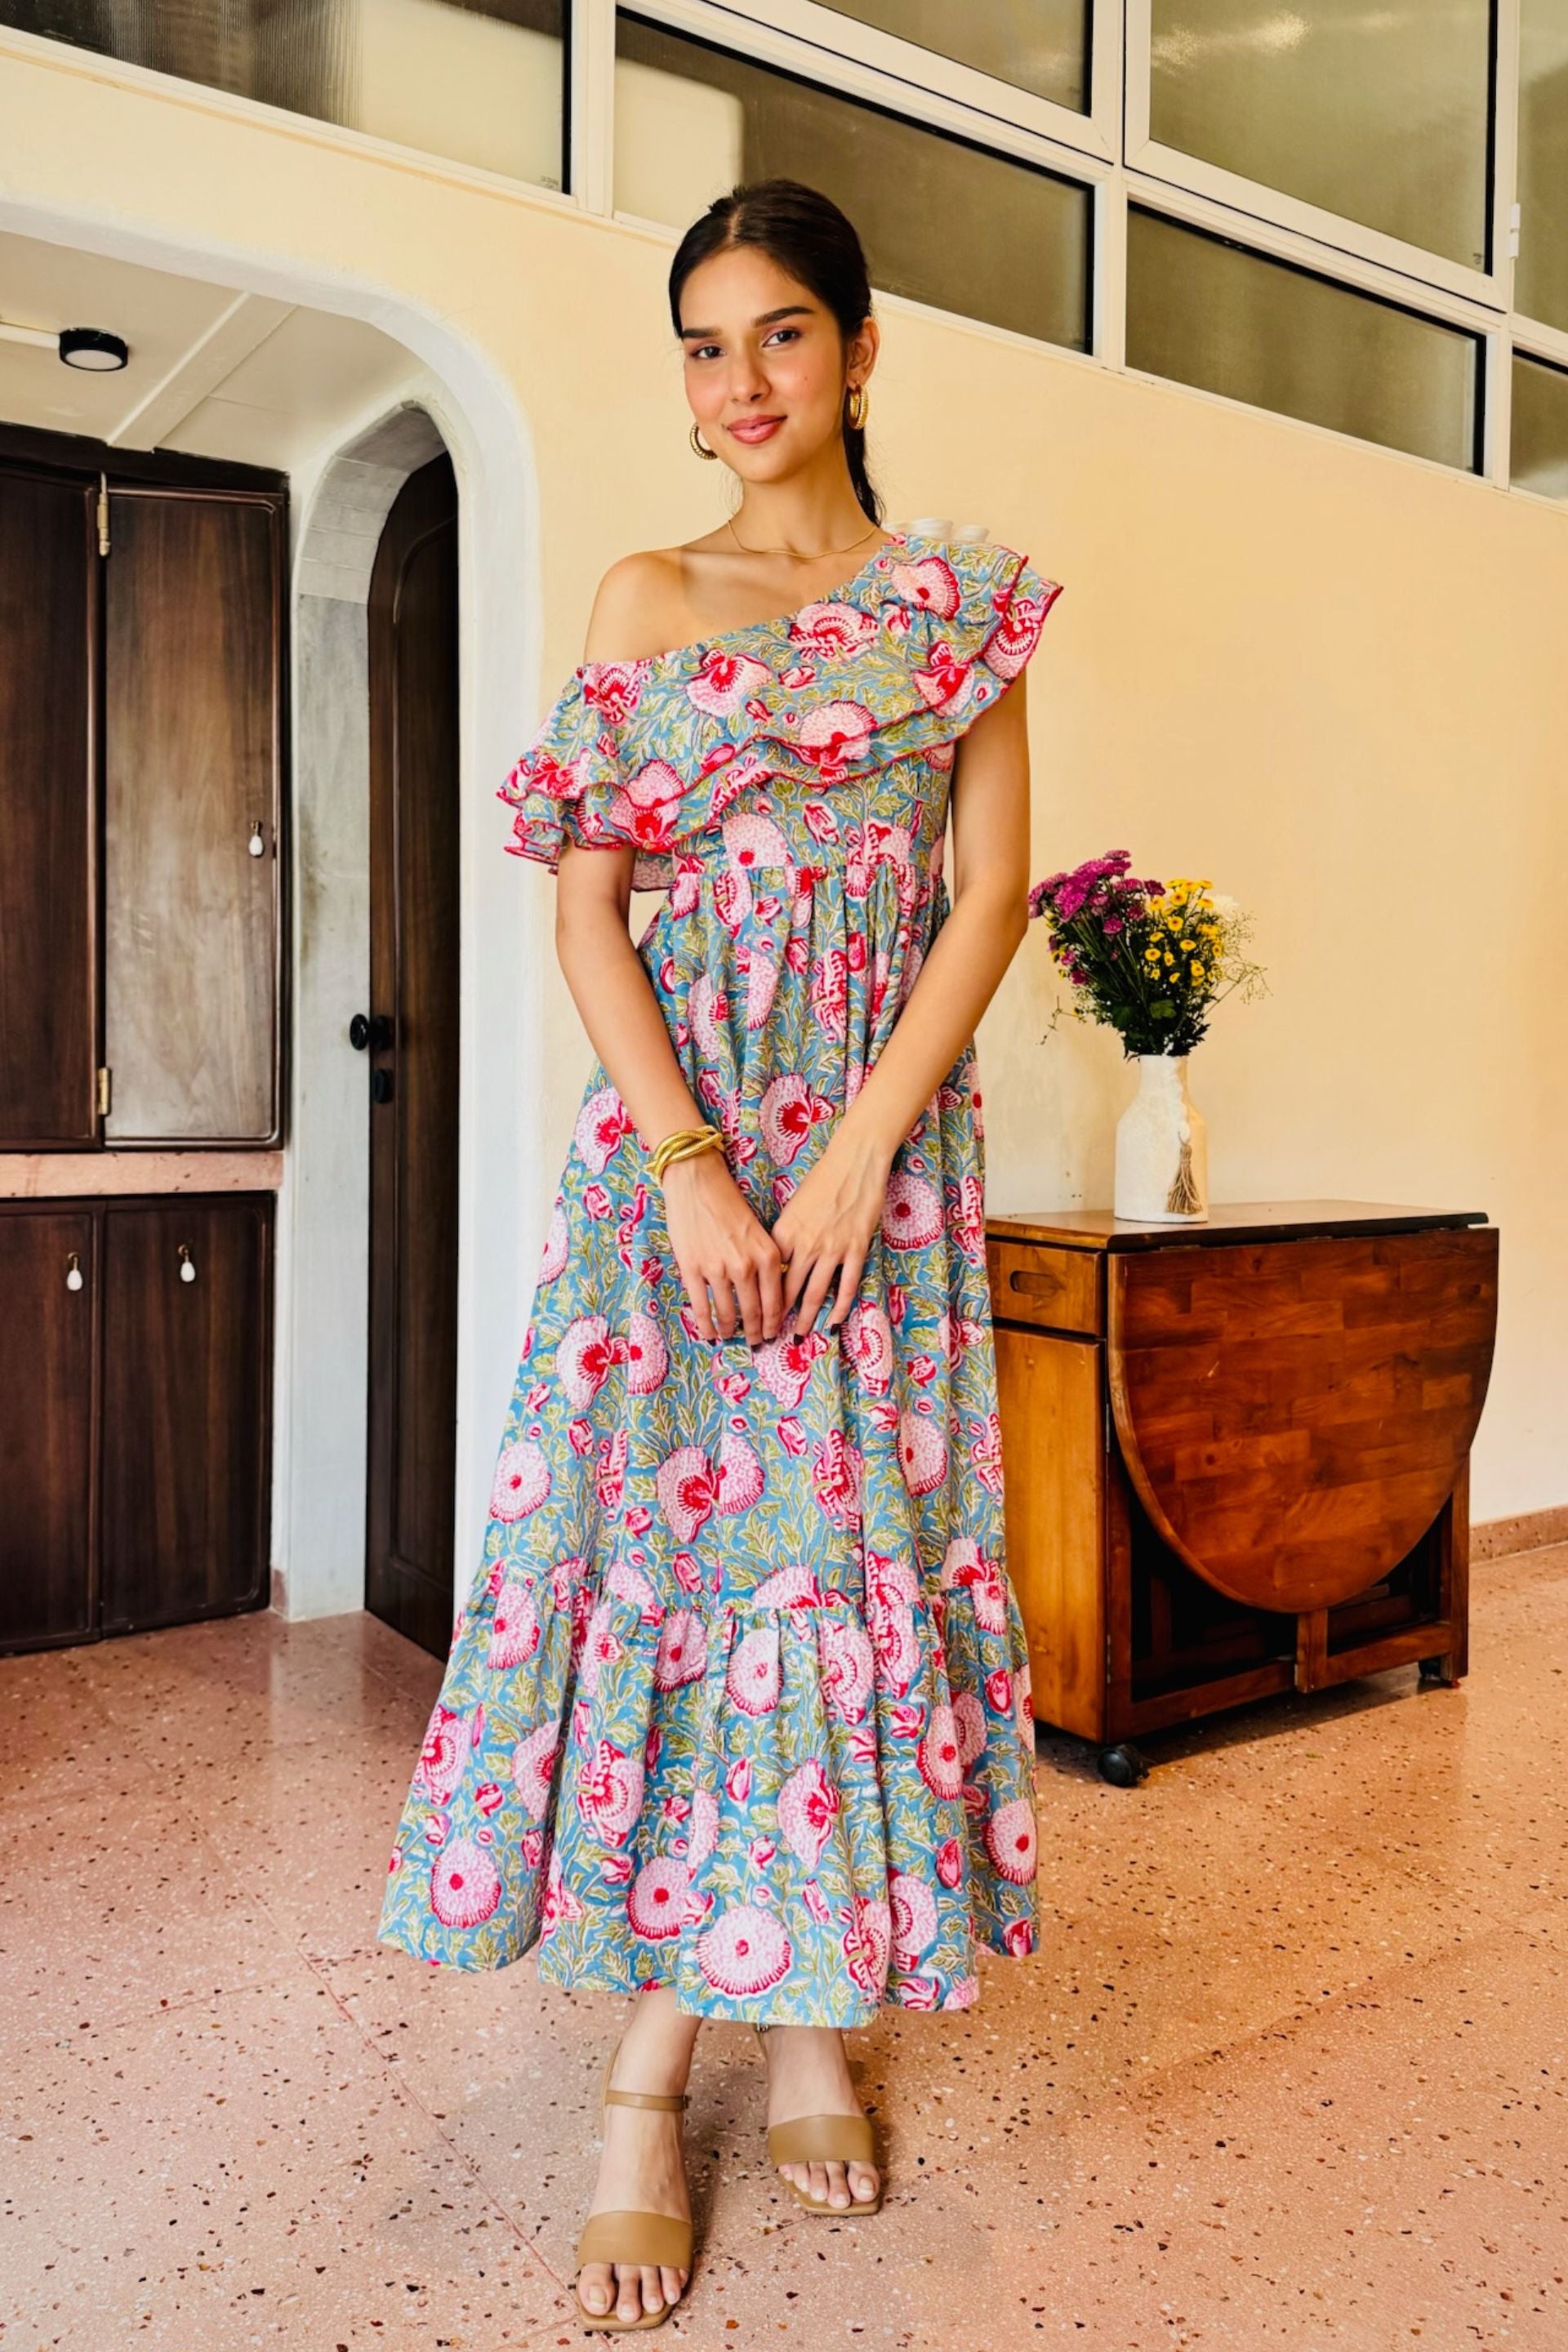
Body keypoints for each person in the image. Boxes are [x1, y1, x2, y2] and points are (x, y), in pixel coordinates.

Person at [375, 174, 1064, 2332]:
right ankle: (644, 2092)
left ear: (859, 350)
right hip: (676, 1182)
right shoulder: (645, 598)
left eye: (777, 331)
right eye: (703, 341)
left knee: (833, 1580)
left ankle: (806, 2027)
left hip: (880, 1180)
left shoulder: (954, 609)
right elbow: (585, 908)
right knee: (688, 1582)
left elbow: (988, 898)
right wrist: (689, 1160)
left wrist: (863, 1153)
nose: (737, 379)